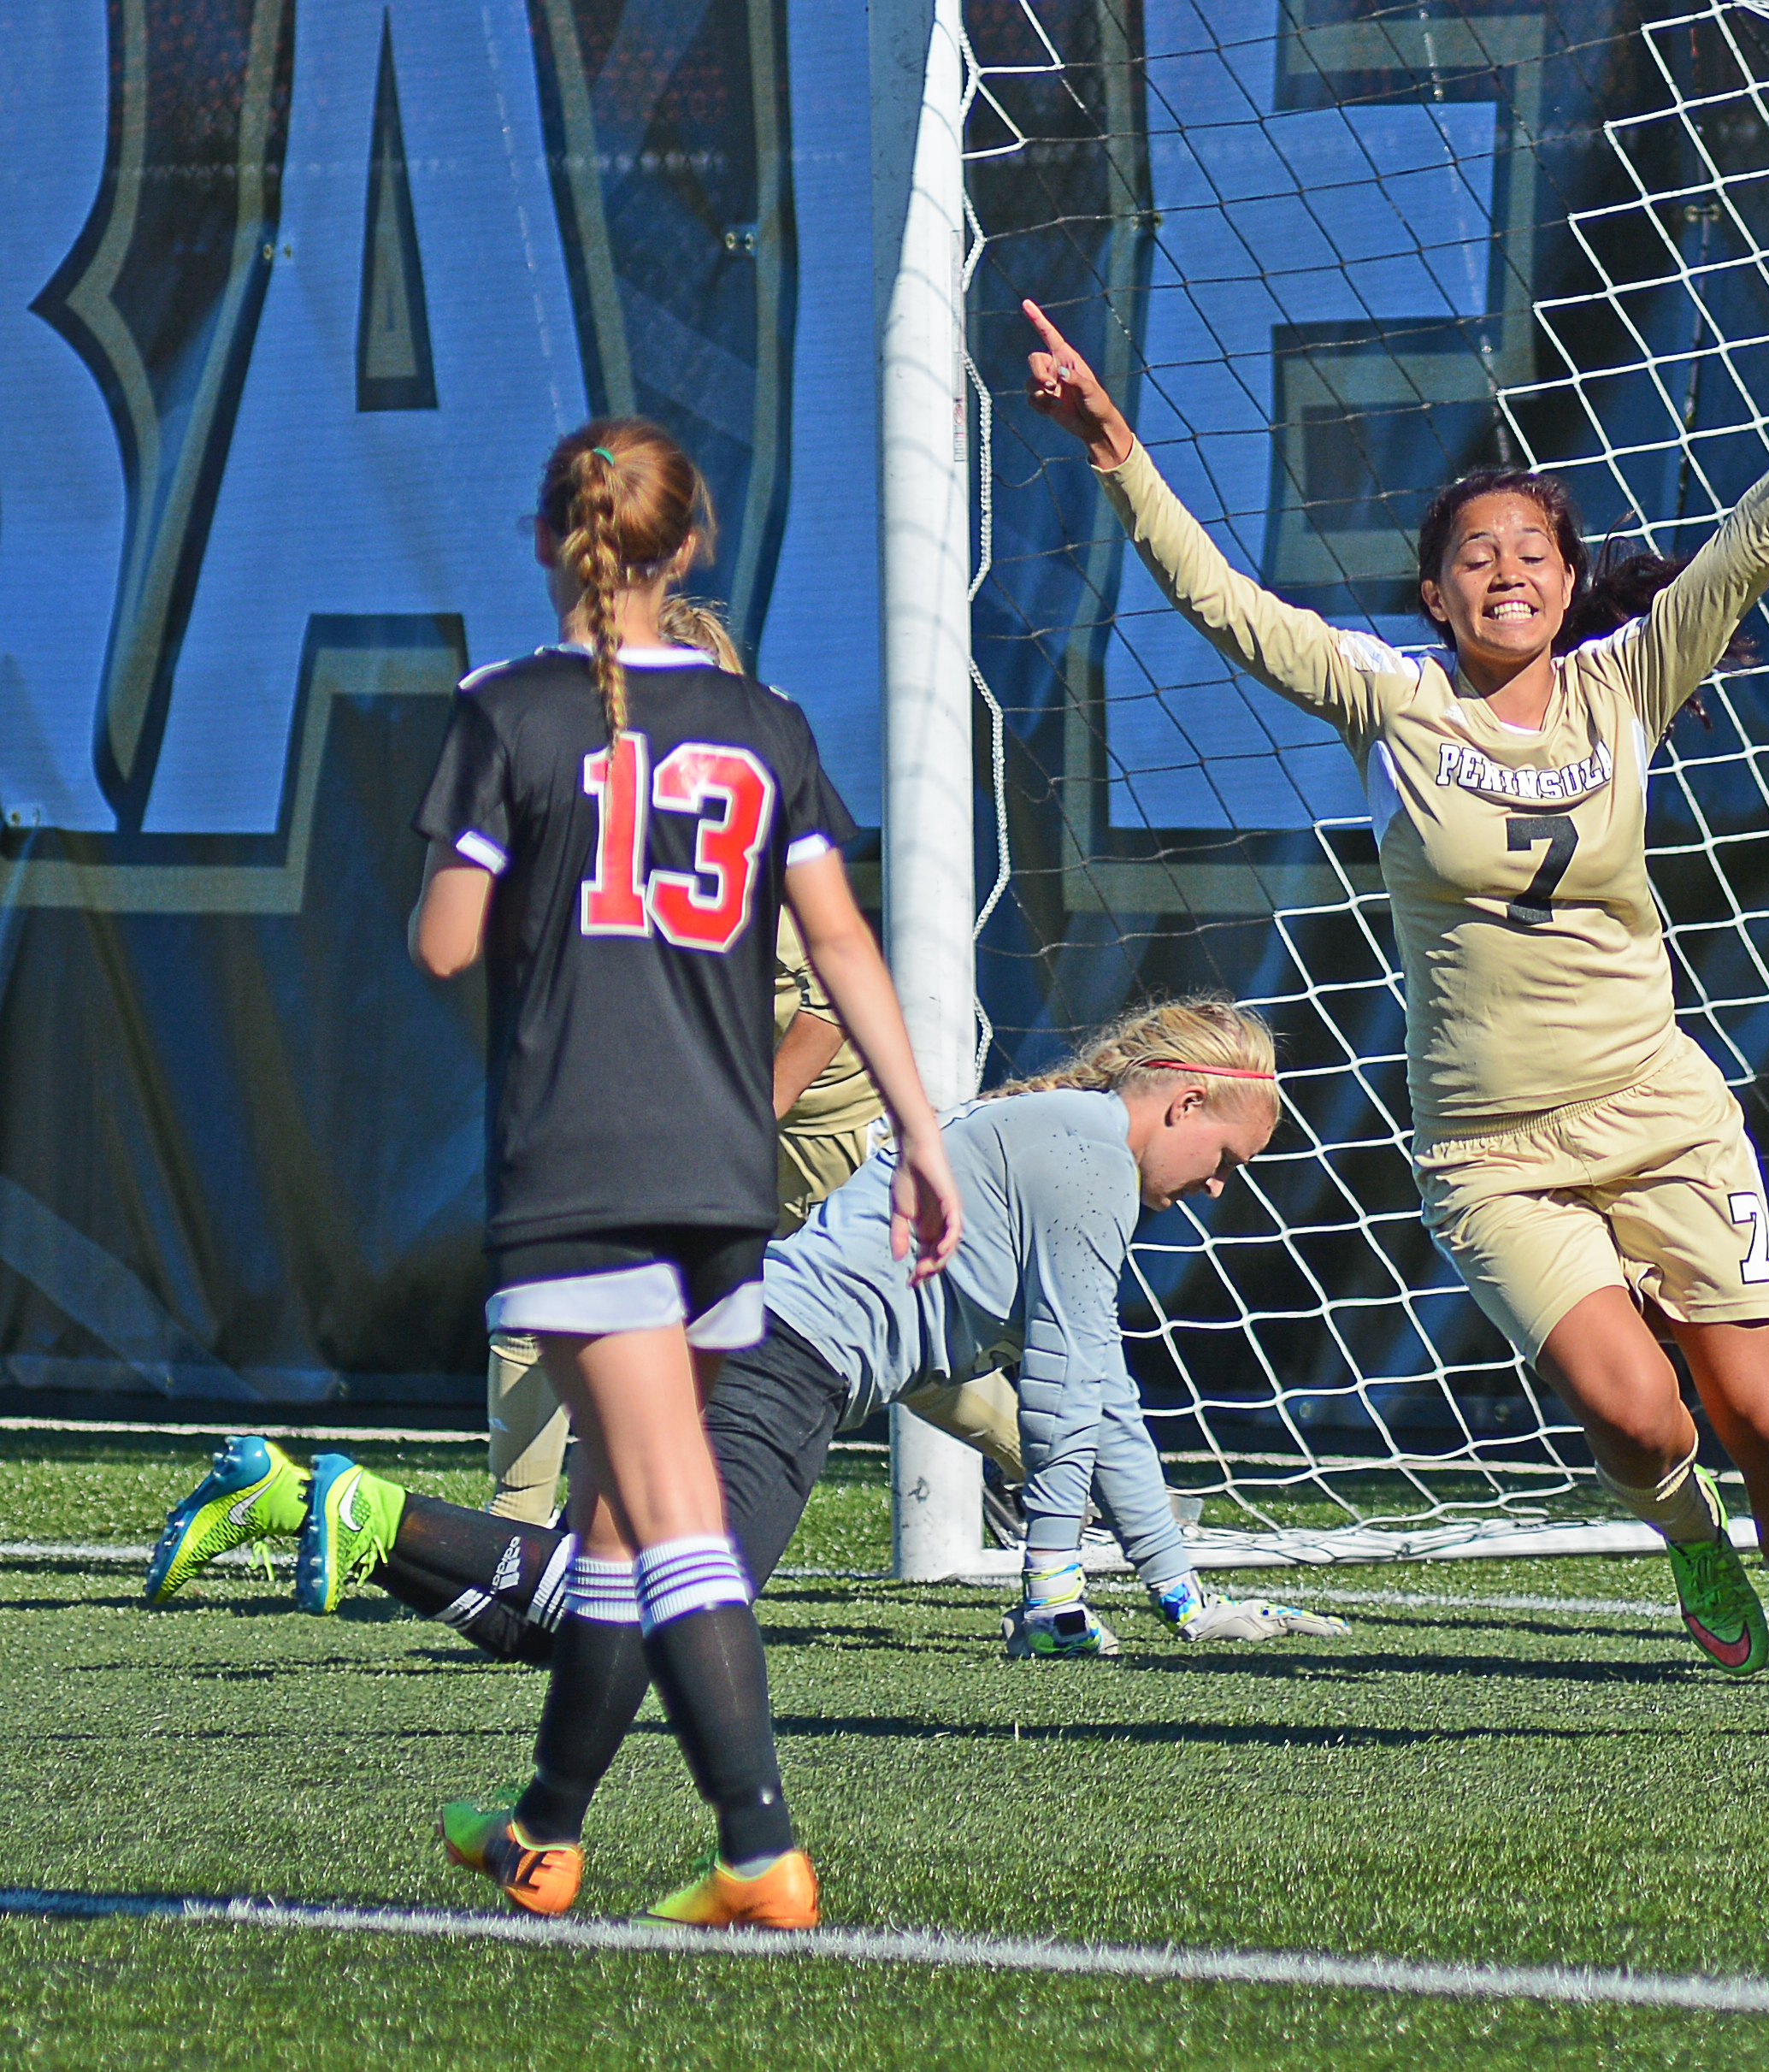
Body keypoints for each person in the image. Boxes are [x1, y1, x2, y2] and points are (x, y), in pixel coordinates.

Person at [1020, 284, 1769, 1737]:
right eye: (1472, 555)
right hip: (1491, 1150)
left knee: (1765, 1413)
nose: (1505, 569)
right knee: (1642, 1416)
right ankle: (1689, 1540)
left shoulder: (1624, 680)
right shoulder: (1390, 700)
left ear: (1569, 583)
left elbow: (1747, 550)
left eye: (1530, 551)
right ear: (1436, 594)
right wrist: (1119, 446)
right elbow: (1224, 606)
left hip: (1659, 1113)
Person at [409, 416, 962, 1929]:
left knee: (663, 1502)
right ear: (691, 549)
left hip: (589, 1152)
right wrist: (918, 1129)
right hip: (727, 1174)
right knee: (615, 1515)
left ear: (548, 542)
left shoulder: (509, 711)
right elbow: (839, 944)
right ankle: (545, 1827)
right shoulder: (764, 723)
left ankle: (757, 1841)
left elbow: (444, 940)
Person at [140, 999, 1346, 1688]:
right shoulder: (1095, 1156)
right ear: (1183, 1102)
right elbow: (1074, 1388)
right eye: (1228, 1160)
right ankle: (369, 1507)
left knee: (557, 1628)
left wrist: (1181, 1596)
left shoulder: (1068, 1135)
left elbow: (1105, 1396)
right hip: (771, 1367)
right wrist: (1054, 1588)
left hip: (749, 1353)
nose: (1221, 1188)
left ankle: (305, 1495)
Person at [474, 598, 1020, 1529]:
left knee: (878, 1323)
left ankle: (1058, 1473)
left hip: (811, 1116)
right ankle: (513, 1530)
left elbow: (827, 1005)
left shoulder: (749, 802)